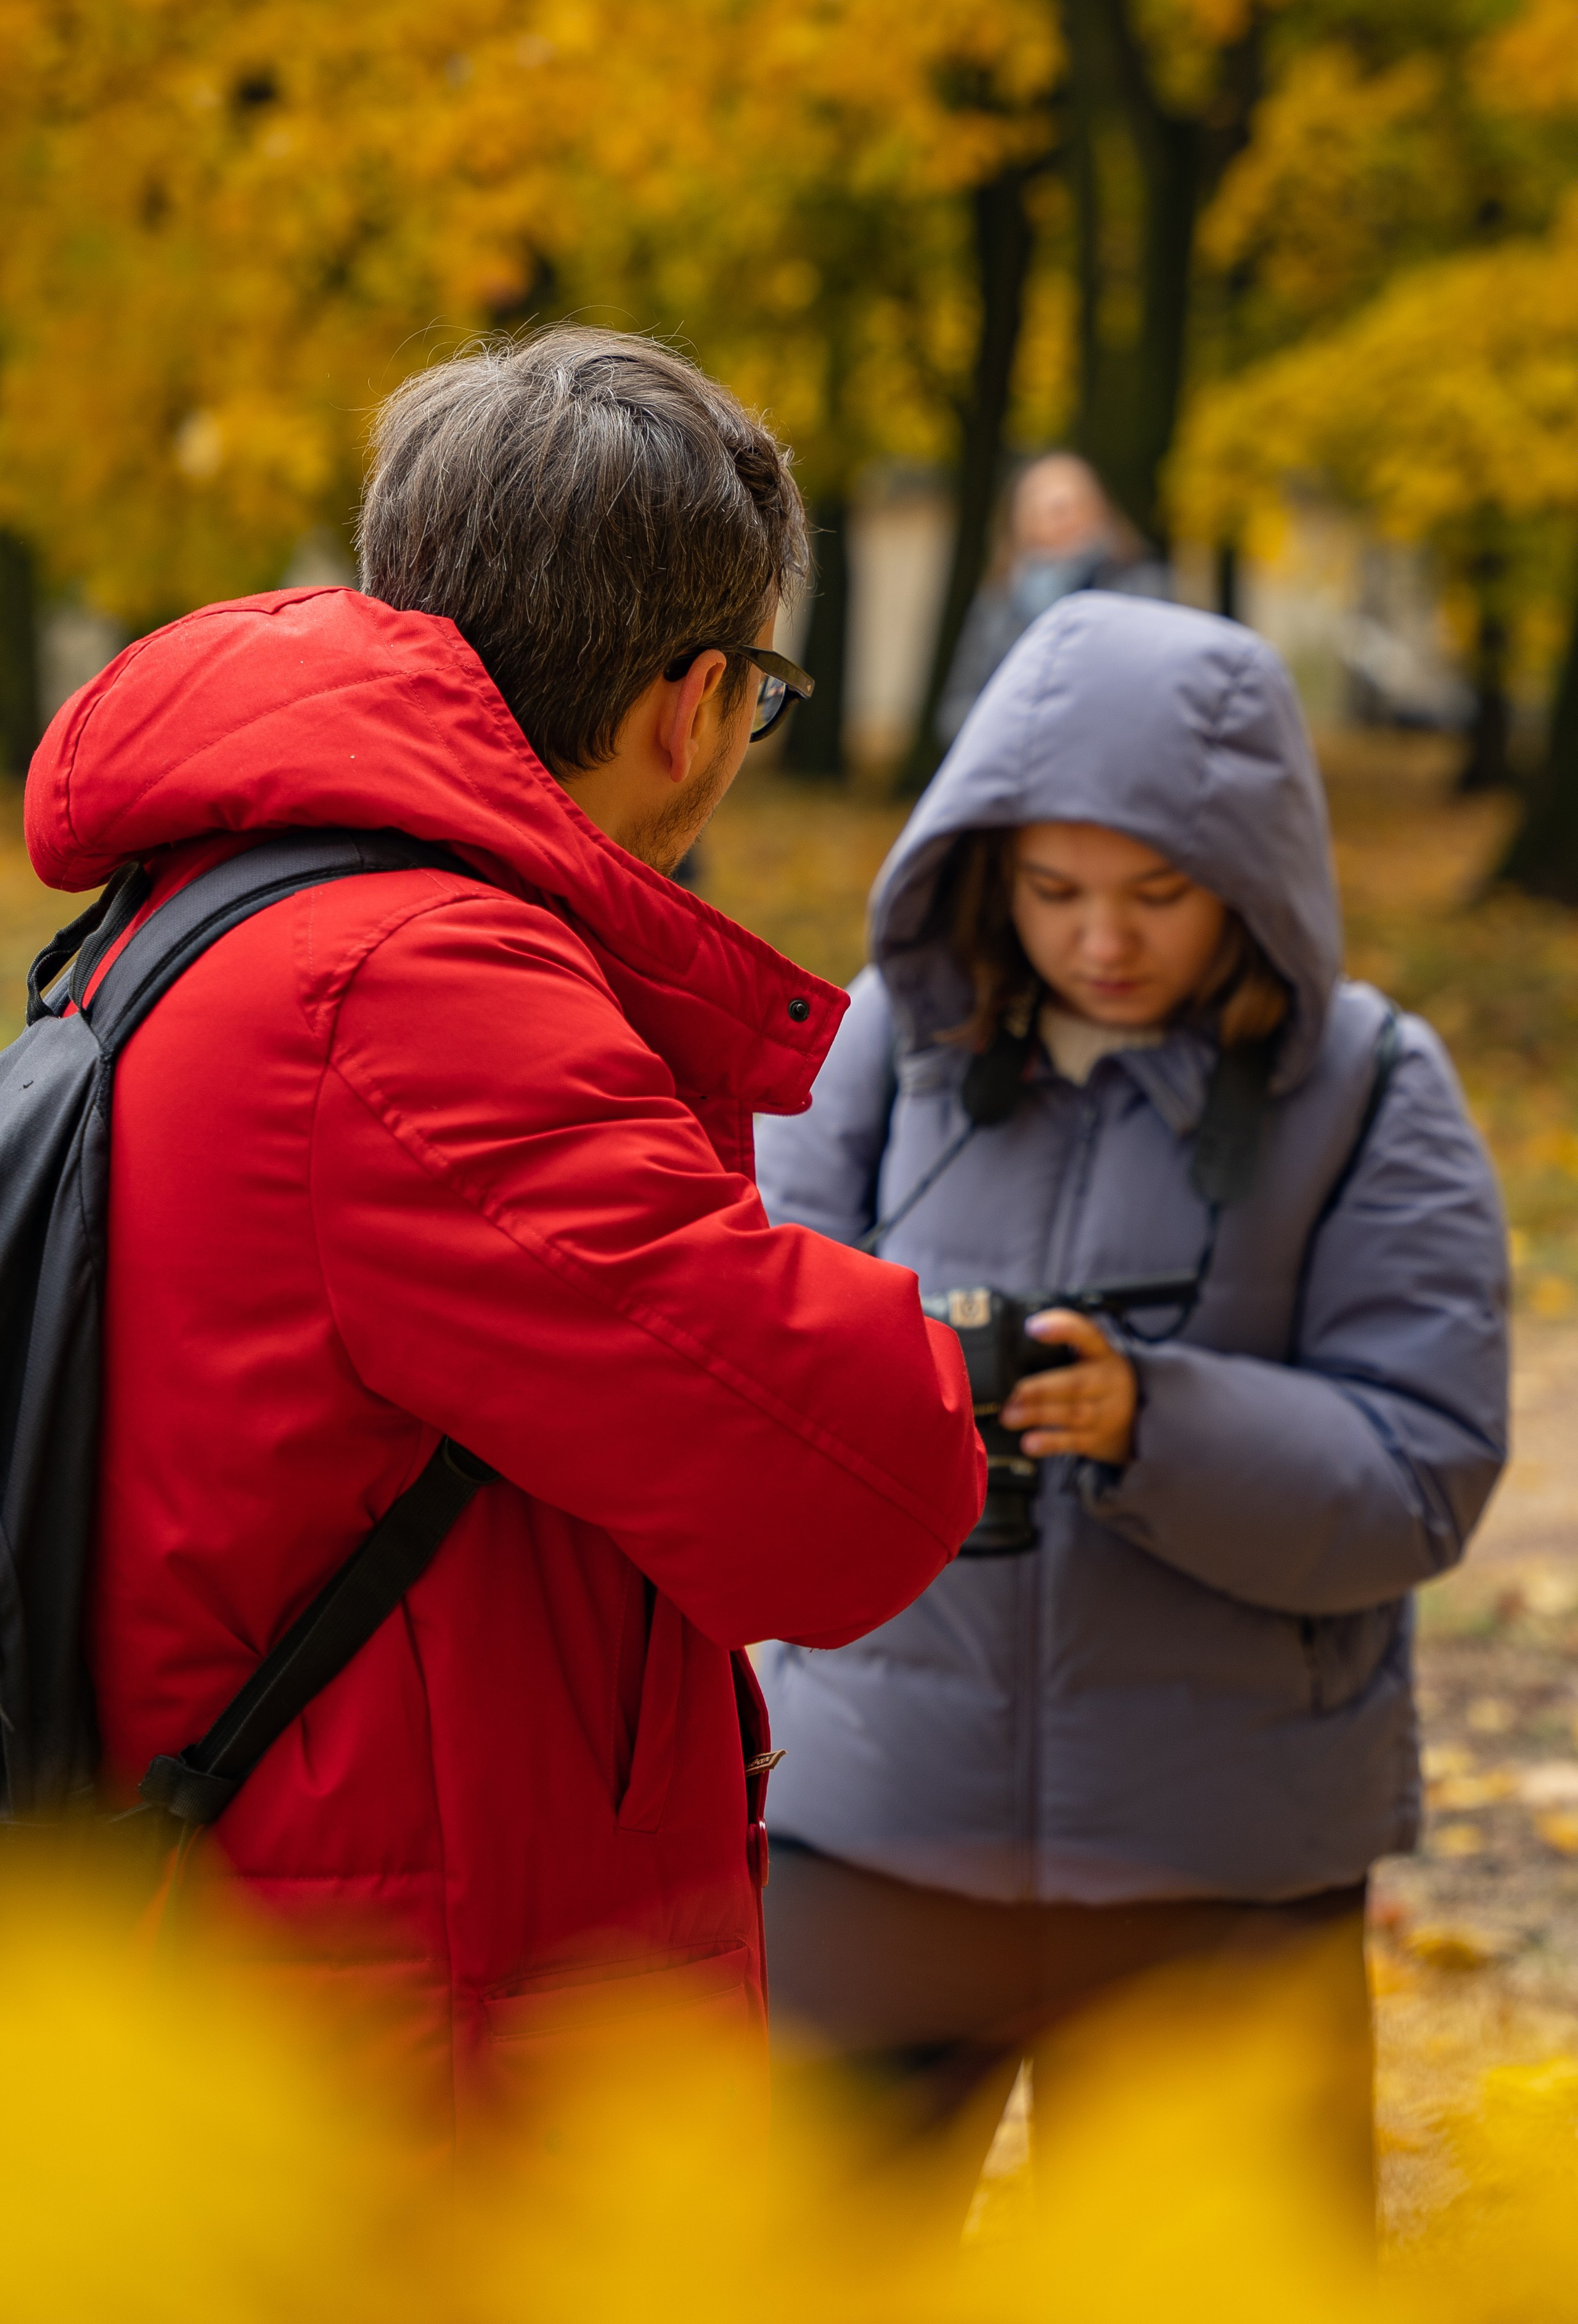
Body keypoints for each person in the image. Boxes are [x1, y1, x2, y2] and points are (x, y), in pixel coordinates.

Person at [25, 329, 984, 2134]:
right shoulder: (414, 986)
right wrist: (940, 1347)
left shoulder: (243, 888)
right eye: (759, 697)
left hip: (321, 1938)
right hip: (419, 2047)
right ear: (685, 703)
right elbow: (850, 1482)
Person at [753, 591, 1508, 2230]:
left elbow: (1422, 1471)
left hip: (1224, 1869)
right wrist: (915, 1383)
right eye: (1053, 890)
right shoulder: (888, 1047)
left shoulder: (1374, 1087)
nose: (1103, 938)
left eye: (1160, 893)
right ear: (981, 865)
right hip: (874, 1822)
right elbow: (747, 1369)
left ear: (1255, 873)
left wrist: (1150, 1417)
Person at [936, 454, 1171, 748]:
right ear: (1020, 522)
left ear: (1100, 509)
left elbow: (1164, 693)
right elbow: (956, 710)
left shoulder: (1143, 589)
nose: (1062, 516)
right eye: (1047, 507)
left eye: (1071, 504)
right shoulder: (998, 604)